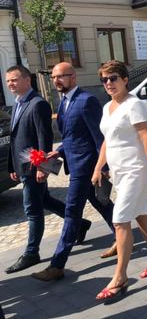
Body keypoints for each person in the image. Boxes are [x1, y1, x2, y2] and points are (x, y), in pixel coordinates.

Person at [31, 63, 117, 281]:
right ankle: (122, 236)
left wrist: (104, 167)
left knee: (71, 212)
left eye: (61, 76)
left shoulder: (86, 100)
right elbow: (73, 136)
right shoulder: (63, 101)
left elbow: (99, 137)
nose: (56, 80)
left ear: (73, 77)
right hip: (75, 162)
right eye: (53, 77)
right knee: (102, 203)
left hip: (86, 166)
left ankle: (57, 265)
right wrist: (58, 151)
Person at [91, 60, 147, 300]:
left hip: (135, 169)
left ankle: (120, 276)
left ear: (125, 79)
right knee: (141, 212)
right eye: (104, 79)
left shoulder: (134, 104)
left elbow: (145, 137)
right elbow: (107, 140)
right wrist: (98, 167)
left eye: (113, 78)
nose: (108, 83)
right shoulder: (107, 107)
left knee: (120, 219)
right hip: (118, 172)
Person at [4, 65, 66, 274]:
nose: (10, 84)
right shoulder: (18, 103)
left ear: (26, 80)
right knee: (45, 200)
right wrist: (12, 165)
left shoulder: (38, 104)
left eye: (14, 80)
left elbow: (44, 138)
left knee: (32, 210)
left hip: (34, 167)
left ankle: (32, 253)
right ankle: (79, 223)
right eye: (8, 81)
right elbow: (15, 139)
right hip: (22, 165)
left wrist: (42, 167)